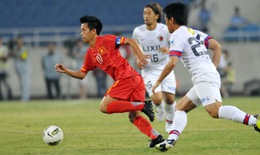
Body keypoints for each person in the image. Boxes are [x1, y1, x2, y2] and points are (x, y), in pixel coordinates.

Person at [152, 2, 260, 152]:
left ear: (171, 19)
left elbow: (172, 63)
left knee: (215, 111)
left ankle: (255, 121)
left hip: (203, 76)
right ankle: (171, 140)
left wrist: (158, 81)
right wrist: (211, 69)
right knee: (180, 108)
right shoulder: (194, 32)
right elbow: (217, 46)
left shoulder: (176, 35)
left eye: (165, 19)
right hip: (207, 75)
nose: (165, 22)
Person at [55, 15, 165, 147]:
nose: (81, 34)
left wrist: (140, 56)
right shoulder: (90, 54)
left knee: (104, 106)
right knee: (133, 117)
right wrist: (67, 71)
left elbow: (131, 41)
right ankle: (156, 137)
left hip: (126, 78)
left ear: (93, 31)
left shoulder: (107, 39)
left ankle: (142, 106)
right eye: (81, 30)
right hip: (135, 80)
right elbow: (82, 74)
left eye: (84, 30)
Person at [132, 3, 176, 133]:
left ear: (156, 16)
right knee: (157, 99)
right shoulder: (138, 31)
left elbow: (175, 45)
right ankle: (160, 107)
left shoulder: (164, 30)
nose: (146, 16)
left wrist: (168, 50)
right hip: (149, 70)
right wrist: (138, 58)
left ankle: (170, 122)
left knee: (170, 98)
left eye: (149, 13)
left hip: (165, 68)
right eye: (144, 13)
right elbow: (135, 46)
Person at [12, 35, 31, 101]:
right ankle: (24, 97)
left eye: (20, 41)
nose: (19, 42)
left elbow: (23, 58)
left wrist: (16, 53)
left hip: (25, 70)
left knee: (25, 84)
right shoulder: (15, 49)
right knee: (22, 85)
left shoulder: (25, 49)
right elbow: (12, 55)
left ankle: (25, 98)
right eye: (18, 41)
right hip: (19, 70)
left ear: (22, 41)